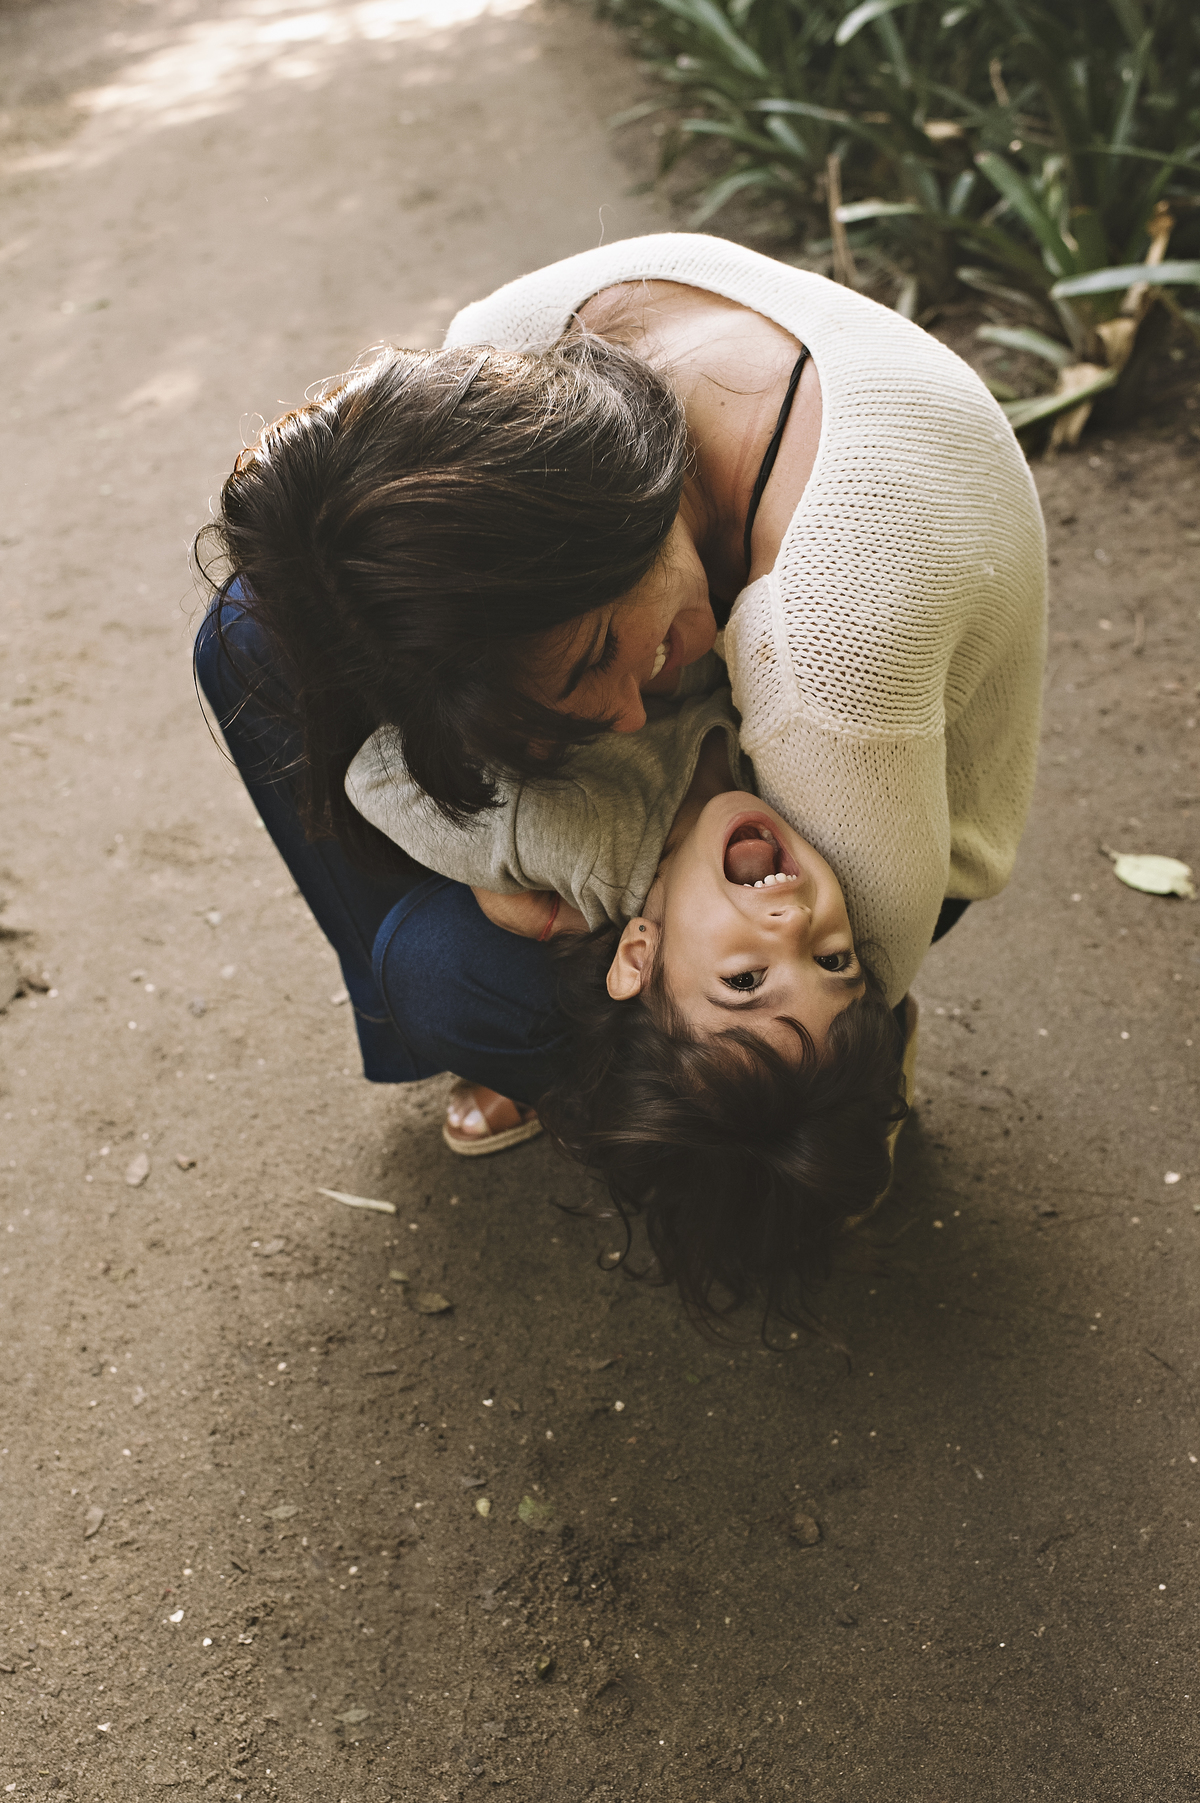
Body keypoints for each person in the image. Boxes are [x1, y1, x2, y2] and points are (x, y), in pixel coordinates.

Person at [195, 232, 1045, 1326]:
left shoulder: (830, 651)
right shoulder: (511, 362)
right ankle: (447, 1037)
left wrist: (824, 1041)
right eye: (578, 684)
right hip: (718, 797)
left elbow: (859, 938)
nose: (623, 715)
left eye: (602, 652)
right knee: (248, 634)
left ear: (629, 511)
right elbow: (379, 748)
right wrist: (488, 847)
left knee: (446, 969)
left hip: (892, 818)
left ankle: (768, 1097)